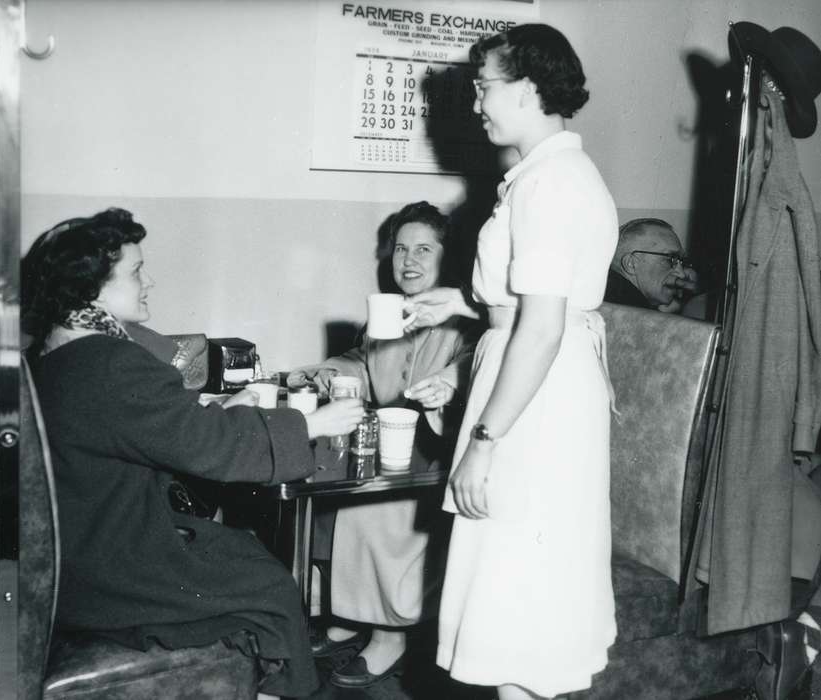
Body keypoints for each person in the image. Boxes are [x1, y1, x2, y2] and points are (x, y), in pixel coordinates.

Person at [21, 207, 364, 699]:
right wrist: (313, 423)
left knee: (242, 557)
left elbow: (144, 423)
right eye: (136, 271)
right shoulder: (110, 362)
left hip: (81, 550)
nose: (148, 281)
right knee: (271, 587)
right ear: (90, 289)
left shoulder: (58, 346)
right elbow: (214, 450)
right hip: (109, 569)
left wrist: (224, 408)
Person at [403, 25, 618, 699]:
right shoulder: (540, 176)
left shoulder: (548, 184)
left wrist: (484, 442)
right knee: (520, 609)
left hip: (536, 402)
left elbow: (542, 329)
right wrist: (464, 305)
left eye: (484, 87)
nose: (476, 103)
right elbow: (531, 307)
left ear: (527, 88)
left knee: (520, 605)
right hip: (536, 383)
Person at [287, 201, 479, 689]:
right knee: (325, 475)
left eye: (423, 249)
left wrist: (446, 387)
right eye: (400, 249)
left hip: (443, 449)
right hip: (394, 440)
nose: (408, 260)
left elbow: (469, 380)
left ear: (447, 258)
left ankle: (391, 632)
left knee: (371, 497)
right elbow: (361, 363)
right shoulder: (388, 312)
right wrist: (324, 373)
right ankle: (351, 612)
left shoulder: (468, 323)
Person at [605, 217, 701, 314]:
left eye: (681, 261)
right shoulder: (629, 311)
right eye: (670, 259)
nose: (682, 274)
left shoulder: (610, 299)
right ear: (631, 263)